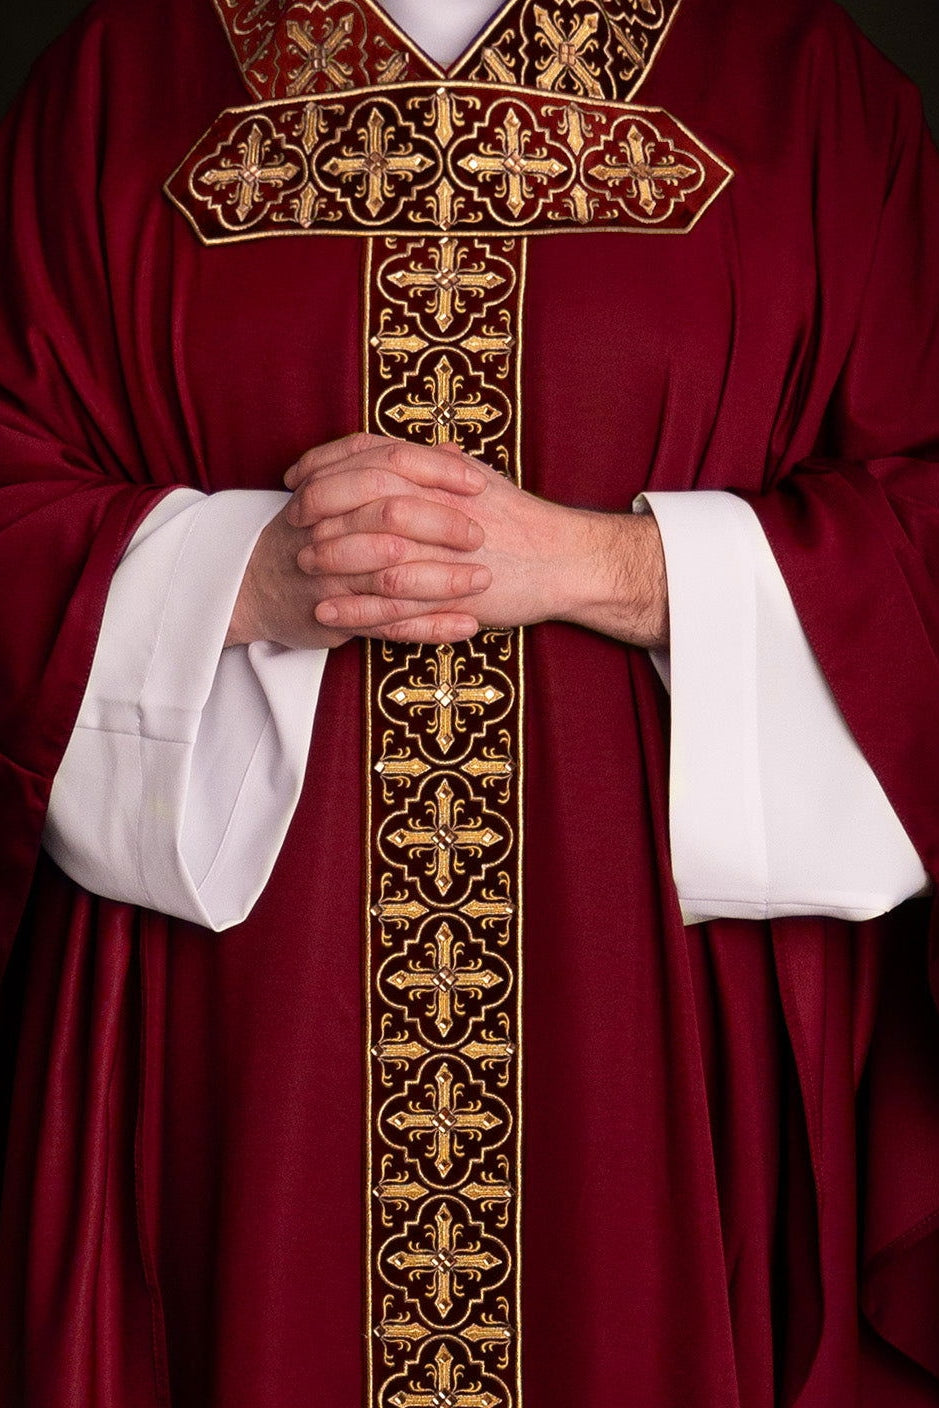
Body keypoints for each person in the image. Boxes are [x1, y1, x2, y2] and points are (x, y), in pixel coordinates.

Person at [1, 0, 938, 1403]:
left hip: (652, 978)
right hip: (242, 1009)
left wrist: (610, 565)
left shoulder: (803, 87)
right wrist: (243, 581)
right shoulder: (117, 82)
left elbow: (920, 508)